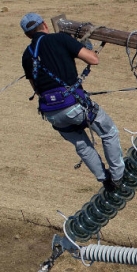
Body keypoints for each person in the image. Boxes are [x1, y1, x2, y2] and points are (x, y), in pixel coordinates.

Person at [20, 12, 124, 191]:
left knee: (82, 145)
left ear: (27, 35)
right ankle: (118, 176)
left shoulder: (26, 56)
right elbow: (93, 59)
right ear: (44, 25)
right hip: (75, 105)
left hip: (52, 113)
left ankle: (104, 180)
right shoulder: (60, 39)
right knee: (108, 132)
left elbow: (36, 89)